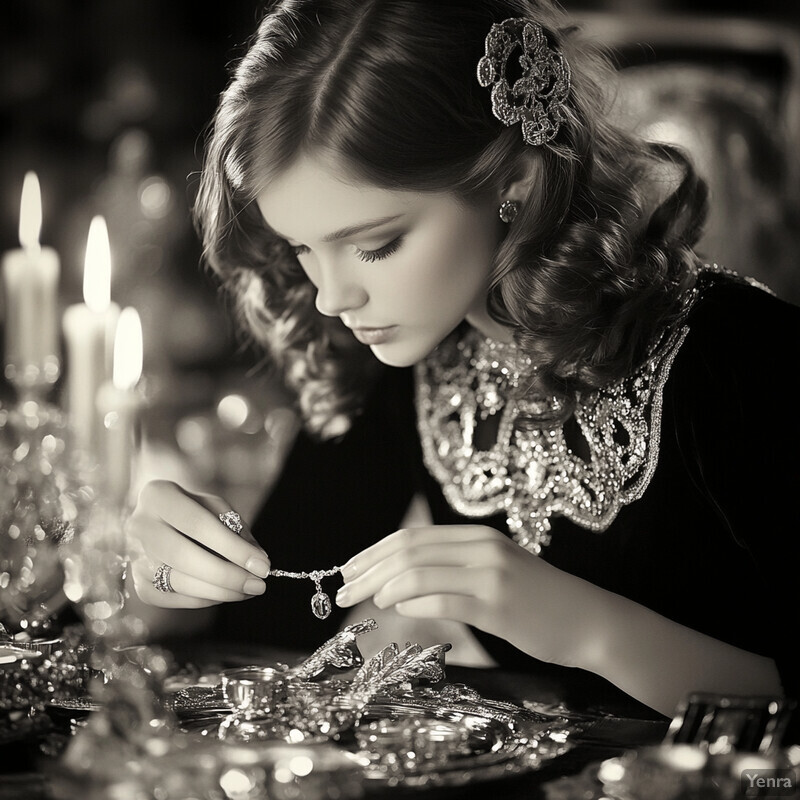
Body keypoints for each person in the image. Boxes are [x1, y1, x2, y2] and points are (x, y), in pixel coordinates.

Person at [127, 0, 800, 729]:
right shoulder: (402, 355)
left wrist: (589, 630)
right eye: (301, 248)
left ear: (514, 178)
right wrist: (160, 584)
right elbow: (279, 628)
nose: (331, 297)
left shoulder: (744, 358)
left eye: (375, 245)